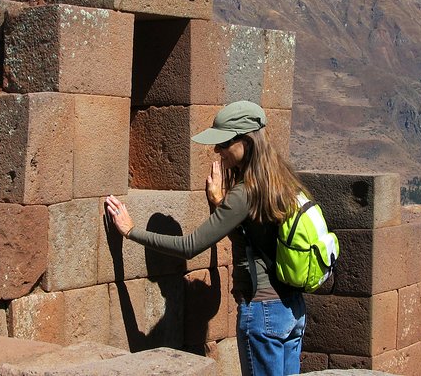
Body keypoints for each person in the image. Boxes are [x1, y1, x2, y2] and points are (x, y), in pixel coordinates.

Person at [105, 100, 308, 376]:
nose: (217, 151)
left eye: (223, 143)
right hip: (292, 311)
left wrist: (131, 231)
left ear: (246, 142)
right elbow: (251, 235)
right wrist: (219, 205)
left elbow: (190, 246)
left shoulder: (245, 192)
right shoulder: (283, 181)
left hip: (264, 313)